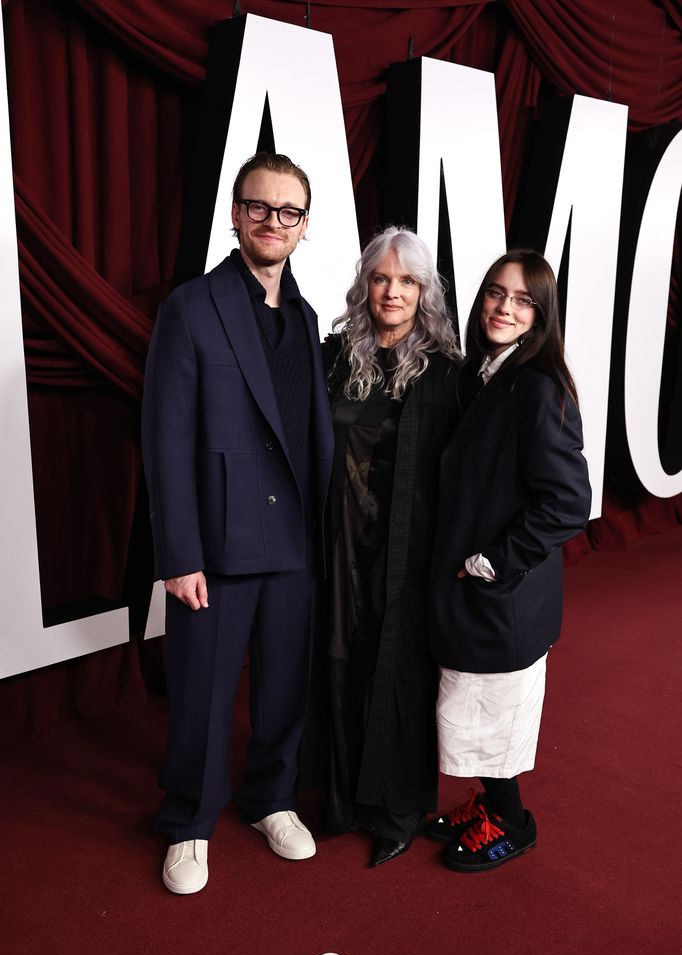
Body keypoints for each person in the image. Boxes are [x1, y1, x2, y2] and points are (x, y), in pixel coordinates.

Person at [141, 152, 334, 894]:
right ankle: (189, 820)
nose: (272, 221)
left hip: (295, 542)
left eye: (288, 212)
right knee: (203, 690)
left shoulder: (308, 315)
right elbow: (165, 440)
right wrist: (178, 554)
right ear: (236, 213)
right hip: (216, 544)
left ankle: (271, 799)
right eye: (259, 207)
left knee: (285, 686)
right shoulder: (192, 306)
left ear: (304, 227)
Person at [428, 249, 591, 871]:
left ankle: (513, 823)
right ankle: (489, 806)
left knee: (492, 717)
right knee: (471, 708)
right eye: (496, 293)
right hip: (471, 593)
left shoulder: (539, 389)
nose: (504, 307)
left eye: (523, 300)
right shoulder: (482, 371)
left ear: (541, 315)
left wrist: (493, 562)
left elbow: (569, 502)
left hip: (504, 594)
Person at [322, 226, 459, 866]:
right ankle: (340, 797)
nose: (393, 291)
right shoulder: (334, 357)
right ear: (365, 284)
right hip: (338, 541)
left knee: (398, 672)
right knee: (337, 659)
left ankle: (396, 810)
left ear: (425, 291)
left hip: (408, 548)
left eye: (407, 280)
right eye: (382, 278)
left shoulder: (446, 375)